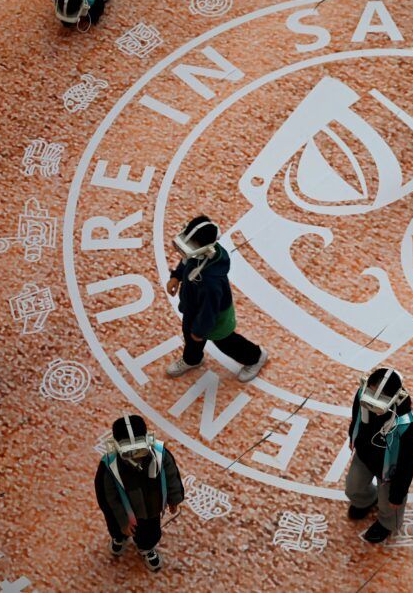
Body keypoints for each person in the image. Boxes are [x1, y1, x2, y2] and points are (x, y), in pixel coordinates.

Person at [165, 216, 269, 382]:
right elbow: (187, 261)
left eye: (191, 244)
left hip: (214, 316)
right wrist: (177, 276)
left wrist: (200, 331)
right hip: (193, 308)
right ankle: (192, 359)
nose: (186, 247)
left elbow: (209, 311)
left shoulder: (211, 282)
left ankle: (255, 357)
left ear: (205, 247)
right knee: (190, 335)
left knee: (225, 342)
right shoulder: (198, 253)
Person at [94, 414, 185, 572]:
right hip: (122, 511)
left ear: (147, 440)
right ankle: (118, 539)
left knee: (150, 533)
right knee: (117, 528)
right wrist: (123, 520)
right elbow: (107, 496)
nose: (135, 456)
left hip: (151, 508)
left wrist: (174, 498)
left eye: (140, 449)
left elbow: (172, 477)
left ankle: (147, 548)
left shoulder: (160, 455)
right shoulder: (110, 465)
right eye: (128, 452)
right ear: (116, 446)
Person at [345, 367, 413, 544]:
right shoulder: (361, 394)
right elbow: (356, 416)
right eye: (370, 393)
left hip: (390, 469)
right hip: (364, 454)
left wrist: (398, 494)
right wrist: (353, 436)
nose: (372, 402)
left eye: (381, 398)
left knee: (390, 505)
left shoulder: (404, 424)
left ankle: (387, 524)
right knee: (353, 487)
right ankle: (365, 500)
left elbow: (408, 463)